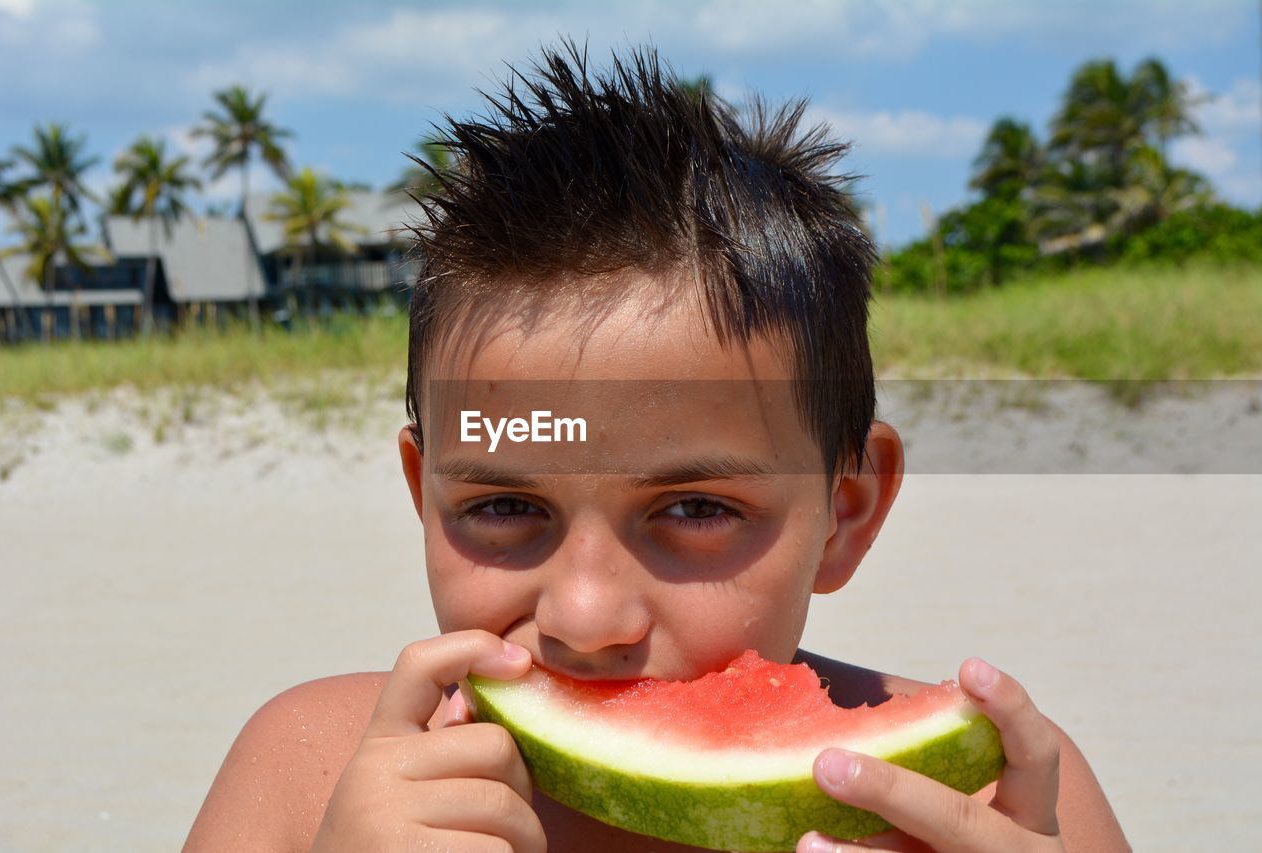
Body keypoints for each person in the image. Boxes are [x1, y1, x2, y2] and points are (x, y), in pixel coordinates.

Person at [183, 44, 1128, 853]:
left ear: (847, 510)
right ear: (424, 490)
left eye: (696, 510)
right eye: (506, 507)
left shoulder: (1007, 804)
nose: (587, 616)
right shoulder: (304, 772)